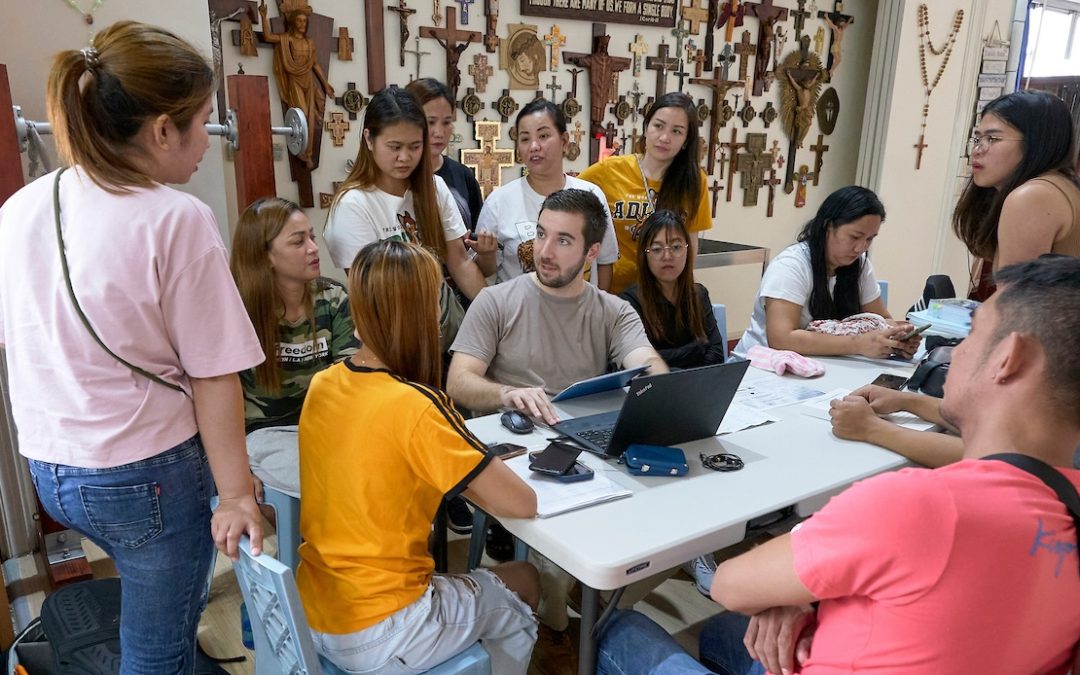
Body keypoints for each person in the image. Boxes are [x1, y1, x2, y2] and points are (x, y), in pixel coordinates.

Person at [597, 255, 1080, 675]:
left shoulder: (919, 504)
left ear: (1009, 359)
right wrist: (808, 597)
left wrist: (800, 592)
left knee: (614, 630)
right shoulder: (1066, 502)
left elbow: (729, 584)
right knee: (725, 633)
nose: (954, 351)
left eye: (972, 333)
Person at [0, 22, 264, 673]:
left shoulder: (22, 207)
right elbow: (214, 376)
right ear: (161, 130)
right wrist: (236, 495)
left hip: (52, 469)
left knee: (146, 608)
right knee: (158, 650)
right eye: (203, 121)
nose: (210, 138)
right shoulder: (176, 218)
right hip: (144, 476)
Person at [296, 240, 540, 673]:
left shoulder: (325, 384)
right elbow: (522, 503)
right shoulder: (417, 405)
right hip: (381, 627)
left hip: (315, 608)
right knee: (524, 579)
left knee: (459, 579)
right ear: (424, 316)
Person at [446, 189, 667, 645]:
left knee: (677, 526)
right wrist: (509, 393)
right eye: (542, 235)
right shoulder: (497, 301)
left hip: (583, 444)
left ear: (591, 252)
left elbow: (650, 369)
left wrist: (654, 383)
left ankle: (580, 588)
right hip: (518, 451)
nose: (544, 252)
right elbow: (458, 382)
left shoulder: (613, 310)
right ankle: (573, 586)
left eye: (563, 241)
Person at [323, 86, 487, 351]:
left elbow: (459, 262)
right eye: (394, 147)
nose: (405, 157)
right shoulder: (353, 205)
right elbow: (369, 294)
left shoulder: (434, 188)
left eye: (414, 146)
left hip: (444, 330)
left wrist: (493, 315)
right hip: (392, 340)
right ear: (369, 139)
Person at [230, 197, 356, 495]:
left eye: (311, 237)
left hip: (325, 426)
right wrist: (236, 471)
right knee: (332, 482)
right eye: (298, 241)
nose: (314, 248)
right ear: (265, 255)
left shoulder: (332, 298)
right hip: (264, 434)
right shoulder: (235, 311)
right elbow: (219, 400)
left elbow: (350, 379)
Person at [732, 186, 920, 360]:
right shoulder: (791, 266)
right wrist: (859, 344)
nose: (861, 247)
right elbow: (782, 339)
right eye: (854, 237)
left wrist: (896, 337)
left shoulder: (860, 266)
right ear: (827, 226)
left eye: (869, 239)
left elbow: (882, 318)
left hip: (821, 365)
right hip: (760, 369)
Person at [476, 98, 619, 289]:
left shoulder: (591, 195)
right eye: (525, 139)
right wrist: (486, 255)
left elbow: (605, 262)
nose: (534, 146)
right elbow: (485, 272)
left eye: (543, 136)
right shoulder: (499, 202)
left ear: (565, 140)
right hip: (519, 314)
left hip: (579, 314)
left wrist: (600, 312)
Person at [579, 91, 712, 294]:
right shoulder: (608, 171)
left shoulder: (694, 182)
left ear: (686, 140)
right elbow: (564, 203)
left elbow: (690, 246)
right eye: (658, 126)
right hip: (613, 294)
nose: (664, 137)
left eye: (677, 131)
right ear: (646, 127)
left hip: (662, 296)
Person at [954, 90, 1080, 300]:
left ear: (1036, 143)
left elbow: (1014, 304)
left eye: (992, 138)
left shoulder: (1032, 196)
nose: (977, 150)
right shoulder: (1062, 186)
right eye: (977, 138)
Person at [620, 209, 726, 369]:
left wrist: (670, 359)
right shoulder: (630, 302)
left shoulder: (698, 294)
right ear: (645, 255)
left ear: (687, 250)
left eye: (676, 247)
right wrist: (696, 349)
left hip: (698, 386)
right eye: (657, 249)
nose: (667, 256)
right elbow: (642, 365)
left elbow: (717, 354)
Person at [259, 0, 334, 168]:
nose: (302, 23)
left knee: (311, 116)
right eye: (299, 20)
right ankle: (302, 150)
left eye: (304, 21)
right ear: (293, 22)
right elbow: (268, 37)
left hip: (308, 80)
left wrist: (326, 84)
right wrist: (263, 17)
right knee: (302, 114)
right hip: (294, 81)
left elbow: (315, 64)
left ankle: (307, 154)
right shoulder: (287, 40)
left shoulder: (309, 42)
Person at [405, 78, 484, 232]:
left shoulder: (463, 175)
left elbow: (476, 231)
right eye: (430, 122)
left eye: (446, 122)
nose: (439, 133)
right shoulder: (398, 175)